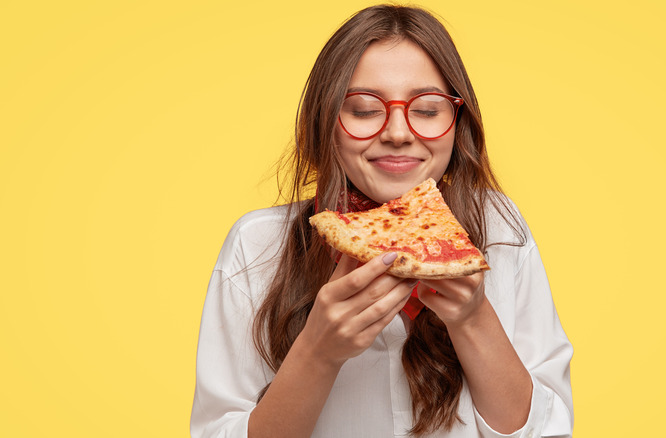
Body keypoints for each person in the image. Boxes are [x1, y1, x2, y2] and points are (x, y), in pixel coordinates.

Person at [191, 4, 573, 438]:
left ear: (456, 122)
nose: (397, 131)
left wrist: (472, 318)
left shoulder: (502, 231)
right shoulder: (257, 245)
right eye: (364, 109)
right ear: (326, 121)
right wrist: (318, 352)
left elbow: (546, 432)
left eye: (427, 110)